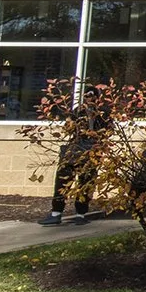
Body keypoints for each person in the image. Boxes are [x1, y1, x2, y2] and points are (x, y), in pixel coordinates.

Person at [41, 94, 107, 225]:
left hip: (85, 152)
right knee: (67, 182)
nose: (89, 99)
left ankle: (76, 214)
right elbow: (70, 128)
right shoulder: (81, 112)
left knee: (83, 183)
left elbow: (104, 132)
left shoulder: (101, 114)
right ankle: (64, 213)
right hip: (79, 152)